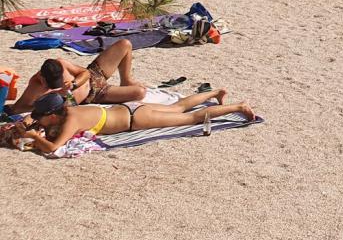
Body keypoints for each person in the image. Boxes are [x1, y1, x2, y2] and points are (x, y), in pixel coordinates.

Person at [10, 90, 254, 153]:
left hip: (137, 119)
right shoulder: (70, 110)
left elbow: (53, 147)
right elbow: (47, 125)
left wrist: (33, 137)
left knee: (188, 118)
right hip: (130, 109)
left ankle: (238, 106)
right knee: (177, 106)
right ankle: (214, 94)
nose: (40, 120)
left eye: (42, 116)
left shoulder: (70, 121)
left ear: (53, 115)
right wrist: (33, 126)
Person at [10, 40, 145, 112]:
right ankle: (124, 89)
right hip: (96, 94)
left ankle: (126, 80)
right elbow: (18, 108)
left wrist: (74, 84)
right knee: (139, 92)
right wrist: (43, 106)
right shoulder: (35, 85)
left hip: (94, 74)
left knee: (125, 44)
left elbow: (85, 73)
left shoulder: (61, 63)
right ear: (43, 80)